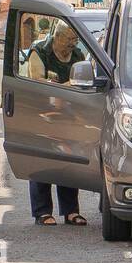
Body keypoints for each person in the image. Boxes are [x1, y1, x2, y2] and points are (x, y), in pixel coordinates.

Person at [22, 21, 88, 225]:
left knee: (68, 161)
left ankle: (70, 211)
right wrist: (69, 85)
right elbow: (37, 82)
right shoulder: (39, 50)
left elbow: (85, 80)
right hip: (42, 114)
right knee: (43, 161)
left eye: (75, 39)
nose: (73, 43)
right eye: (69, 39)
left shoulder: (78, 55)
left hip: (69, 115)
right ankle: (42, 212)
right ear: (57, 37)